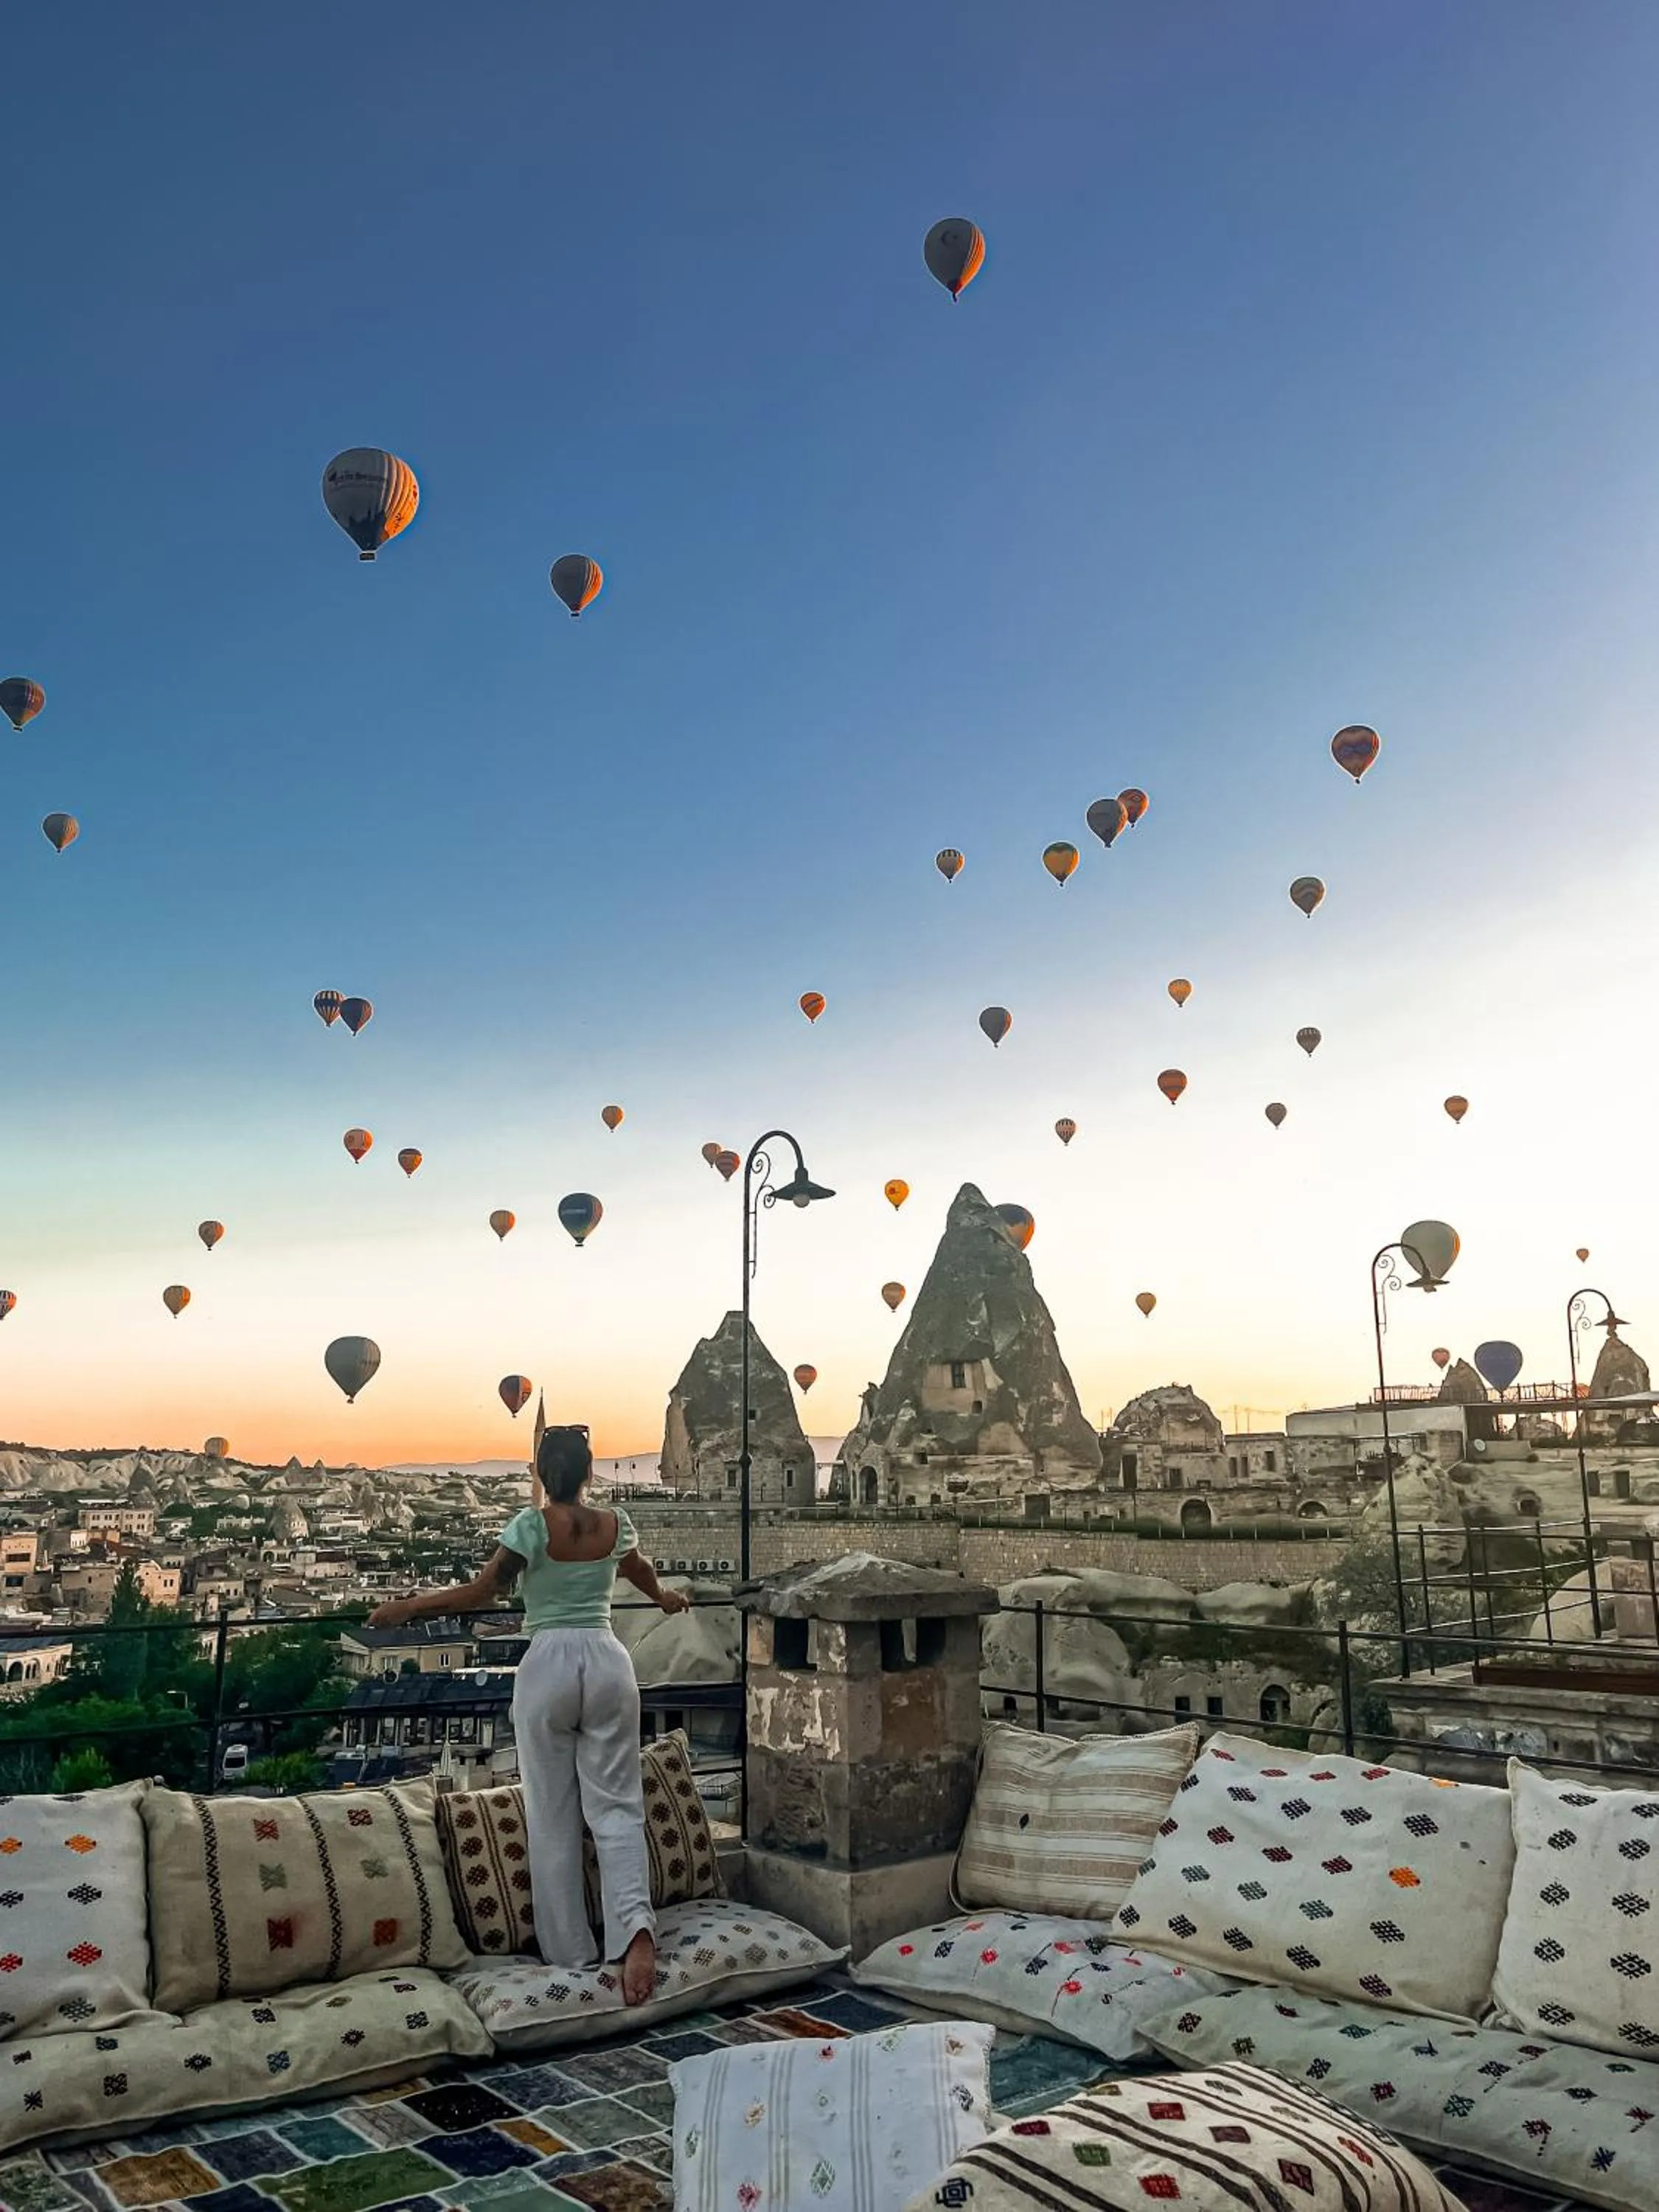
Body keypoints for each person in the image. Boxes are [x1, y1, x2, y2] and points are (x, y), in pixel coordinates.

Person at [367, 1425, 689, 2004]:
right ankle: (636, 1935)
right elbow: (638, 1572)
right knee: (617, 1807)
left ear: (543, 1474)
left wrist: (409, 1608)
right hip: (609, 1659)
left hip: (549, 1664)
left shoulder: (532, 1525)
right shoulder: (616, 1524)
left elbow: (483, 1593)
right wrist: (664, 1597)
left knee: (552, 1811)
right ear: (590, 1473)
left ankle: (570, 1954)